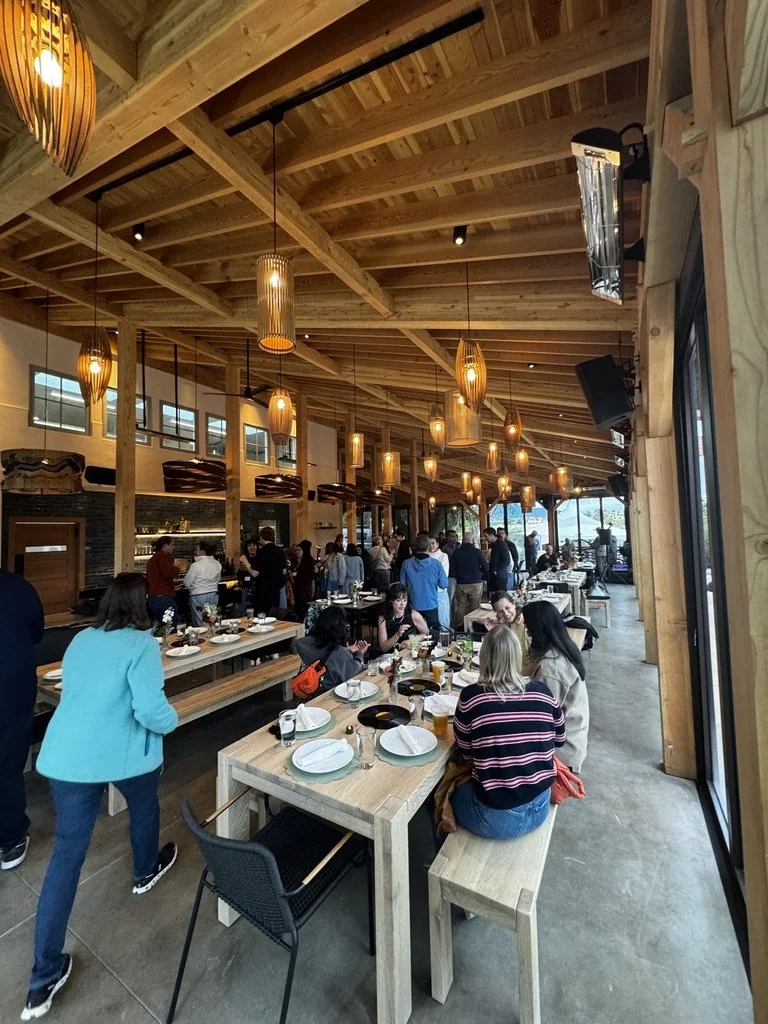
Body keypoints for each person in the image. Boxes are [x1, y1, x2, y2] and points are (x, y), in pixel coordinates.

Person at [21, 574, 178, 1020]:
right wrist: (173, 719)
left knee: (67, 857)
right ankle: (145, 870)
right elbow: (149, 710)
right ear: (140, 605)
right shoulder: (142, 646)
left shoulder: (80, 641)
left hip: (67, 756)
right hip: (122, 753)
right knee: (143, 805)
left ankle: (42, 977)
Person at [451, 625, 565, 839]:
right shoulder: (542, 692)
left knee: (444, 794)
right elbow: (559, 739)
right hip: (541, 805)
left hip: (498, 818)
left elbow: (466, 753)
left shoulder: (471, 697)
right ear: (517, 656)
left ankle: (441, 854)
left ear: (484, 656)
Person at [0, 570, 44, 872]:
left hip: (12, 690)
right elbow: (36, 632)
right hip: (13, 691)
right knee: (8, 766)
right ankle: (12, 838)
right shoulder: (20, 588)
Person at [522, 601, 588, 773]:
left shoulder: (551, 667)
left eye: (528, 627)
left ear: (538, 630)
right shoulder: (560, 647)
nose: (527, 632)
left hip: (563, 749)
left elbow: (540, 717)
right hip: (566, 733)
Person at [294, 605, 369, 689]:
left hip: (310, 690)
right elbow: (354, 673)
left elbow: (298, 643)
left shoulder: (304, 643)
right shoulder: (342, 654)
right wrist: (360, 654)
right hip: (331, 694)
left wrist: (345, 650)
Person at [399, 533, 448, 632]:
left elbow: (402, 586)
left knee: (413, 636)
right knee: (434, 635)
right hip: (431, 604)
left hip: (413, 606)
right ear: (428, 546)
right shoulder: (436, 564)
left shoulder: (406, 564)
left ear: (415, 547)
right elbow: (444, 585)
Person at [450, 532, 488, 630]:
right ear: (472, 541)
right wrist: (479, 572)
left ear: (462, 540)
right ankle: (474, 627)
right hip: (475, 582)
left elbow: (452, 570)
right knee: (475, 607)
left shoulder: (456, 552)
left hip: (461, 583)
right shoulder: (477, 552)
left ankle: (458, 627)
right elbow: (486, 567)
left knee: (460, 607)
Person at [243, 527, 286, 614]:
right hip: (276, 591)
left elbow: (255, 573)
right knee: (275, 615)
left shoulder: (261, 553)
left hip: (263, 592)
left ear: (262, 537)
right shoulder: (280, 551)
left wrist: (245, 561)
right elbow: (284, 571)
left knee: (263, 617)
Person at [377, 583, 429, 653]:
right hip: (390, 655)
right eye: (398, 600)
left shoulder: (414, 615)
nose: (402, 604)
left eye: (405, 600)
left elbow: (427, 634)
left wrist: (411, 640)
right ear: (391, 600)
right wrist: (397, 635)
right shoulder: (383, 618)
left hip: (410, 653)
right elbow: (384, 648)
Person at [183, 540, 222, 625]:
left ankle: (203, 637)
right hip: (213, 594)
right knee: (211, 620)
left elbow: (187, 582)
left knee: (200, 621)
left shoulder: (195, 565)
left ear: (202, 551)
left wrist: (192, 587)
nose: (195, 552)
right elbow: (218, 579)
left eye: (197, 549)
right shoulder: (217, 563)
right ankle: (212, 636)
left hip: (198, 595)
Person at [145, 536, 178, 625]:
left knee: (161, 626)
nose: (174, 547)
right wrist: (177, 568)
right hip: (163, 597)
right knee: (170, 627)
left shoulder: (154, 557)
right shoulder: (162, 556)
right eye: (172, 545)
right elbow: (168, 573)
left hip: (154, 597)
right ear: (165, 546)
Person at [428, 537, 451, 629]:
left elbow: (443, 575)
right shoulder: (425, 556)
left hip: (440, 591)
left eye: (433, 543)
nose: (431, 546)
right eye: (429, 543)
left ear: (437, 544)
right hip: (428, 592)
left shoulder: (443, 556)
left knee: (443, 618)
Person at [293, 539, 317, 618]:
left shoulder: (308, 561)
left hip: (304, 590)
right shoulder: (300, 560)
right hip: (300, 590)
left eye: (299, 550)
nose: (297, 552)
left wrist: (296, 575)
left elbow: (306, 576)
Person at [486, 526, 512, 593]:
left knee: (502, 597)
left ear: (491, 535)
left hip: (500, 576)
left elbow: (507, 561)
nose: (486, 539)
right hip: (495, 575)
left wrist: (496, 570)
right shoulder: (494, 545)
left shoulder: (501, 544)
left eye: (486, 536)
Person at [237, 539, 259, 614]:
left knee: (257, 608)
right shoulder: (244, 559)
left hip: (258, 587)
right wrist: (240, 570)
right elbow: (239, 575)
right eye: (250, 545)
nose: (252, 547)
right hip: (246, 587)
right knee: (245, 609)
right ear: (246, 548)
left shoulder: (260, 558)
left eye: (254, 545)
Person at [441, 530, 459, 612]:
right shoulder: (444, 549)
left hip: (458, 575)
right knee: (449, 598)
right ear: (448, 537)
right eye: (452, 536)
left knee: (457, 599)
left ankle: (455, 619)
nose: (454, 538)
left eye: (455, 536)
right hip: (450, 575)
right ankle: (449, 619)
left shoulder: (459, 546)